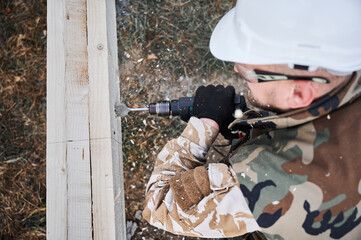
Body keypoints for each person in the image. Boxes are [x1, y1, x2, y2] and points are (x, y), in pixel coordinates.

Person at [142, 0, 361, 239]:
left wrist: (204, 125)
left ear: (299, 93)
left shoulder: (271, 177)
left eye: (249, 72)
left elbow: (159, 204)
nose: (237, 70)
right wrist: (254, 124)